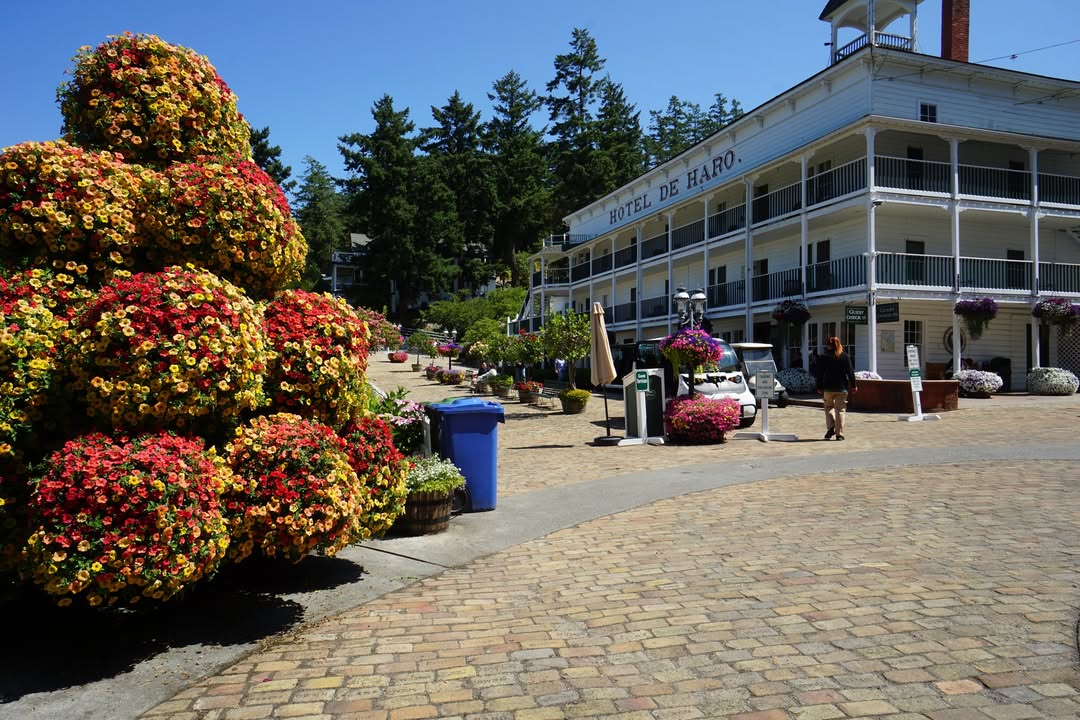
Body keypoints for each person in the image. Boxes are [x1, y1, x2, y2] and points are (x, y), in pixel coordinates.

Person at [815, 336, 857, 440]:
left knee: (828, 407)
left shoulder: (823, 357)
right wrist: (854, 385)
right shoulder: (845, 357)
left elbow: (819, 373)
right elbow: (850, 372)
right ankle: (839, 434)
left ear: (828, 346)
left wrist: (819, 386)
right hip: (842, 388)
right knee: (840, 410)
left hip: (828, 388)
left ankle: (831, 427)